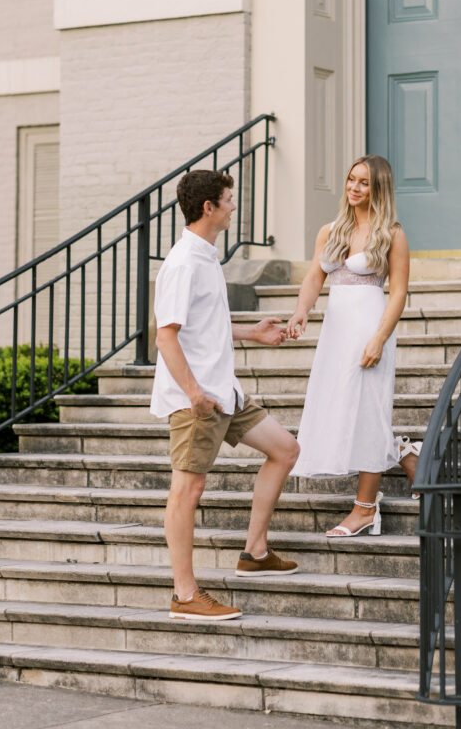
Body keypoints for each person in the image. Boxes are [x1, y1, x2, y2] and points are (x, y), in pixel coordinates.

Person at [151, 169, 300, 622]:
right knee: (187, 490)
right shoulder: (182, 263)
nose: (235, 207)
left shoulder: (206, 257)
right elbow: (166, 337)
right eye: (229, 200)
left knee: (286, 449)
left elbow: (204, 326)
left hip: (225, 391)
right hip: (199, 399)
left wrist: (251, 333)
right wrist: (193, 393)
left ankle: (254, 552)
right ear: (208, 208)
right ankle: (185, 595)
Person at [287, 155, 421, 536]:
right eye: (351, 179)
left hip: (369, 325)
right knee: (342, 406)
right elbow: (315, 276)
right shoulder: (330, 230)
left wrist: (379, 337)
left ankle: (365, 509)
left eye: (364, 182)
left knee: (366, 410)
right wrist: (301, 312)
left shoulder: (392, 233)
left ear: (378, 188)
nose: (354, 187)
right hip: (336, 330)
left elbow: (398, 293)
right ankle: (408, 456)